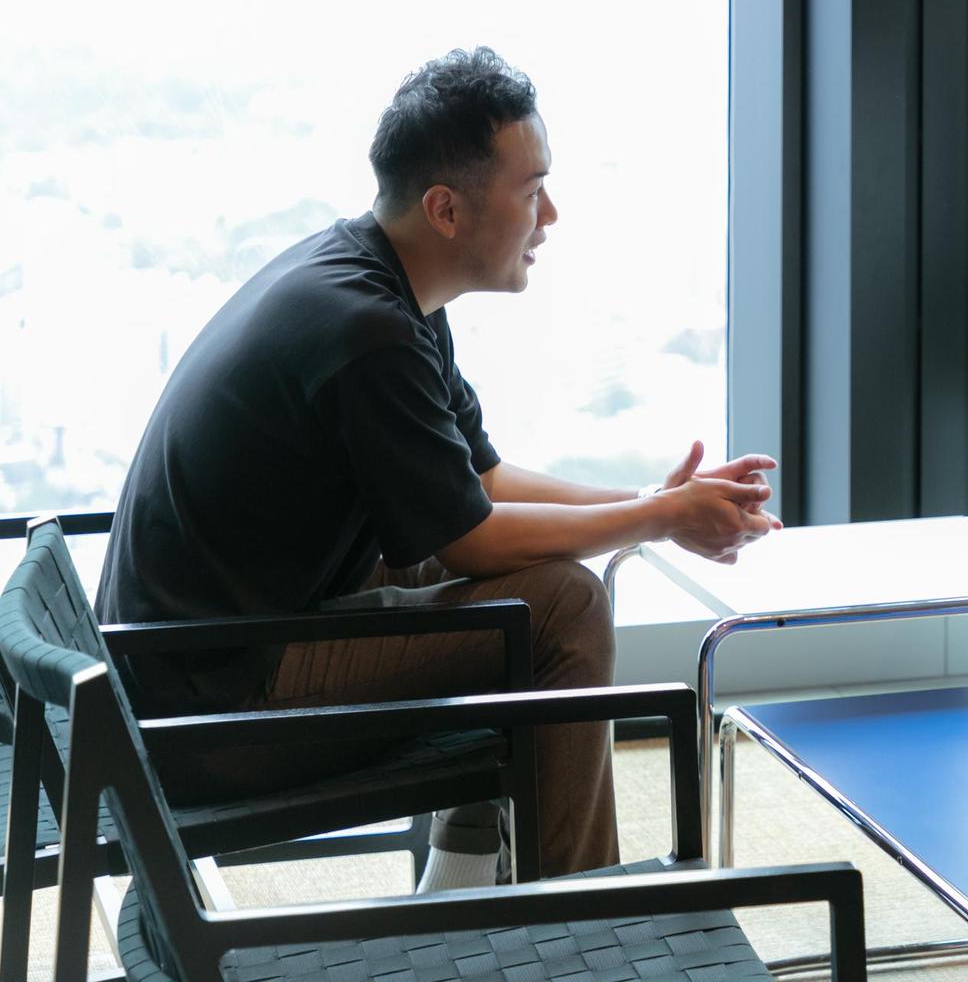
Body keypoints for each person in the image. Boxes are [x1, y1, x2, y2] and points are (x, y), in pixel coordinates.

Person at [98, 46, 779, 888]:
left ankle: (462, 875)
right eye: (532, 192)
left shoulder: (382, 283)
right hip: (207, 713)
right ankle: (577, 919)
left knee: (529, 583)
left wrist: (649, 501)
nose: (551, 215)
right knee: (561, 608)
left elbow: (482, 484)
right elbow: (472, 538)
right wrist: (660, 520)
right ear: (447, 209)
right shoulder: (367, 331)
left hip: (200, 657)